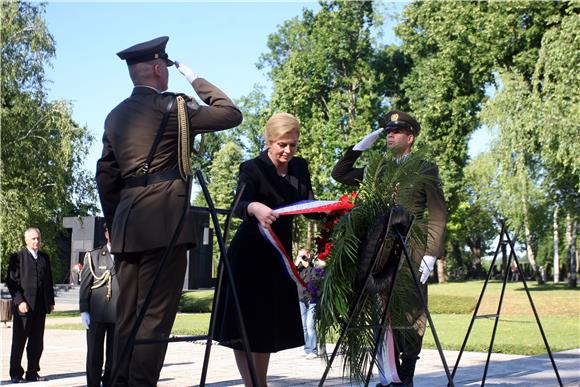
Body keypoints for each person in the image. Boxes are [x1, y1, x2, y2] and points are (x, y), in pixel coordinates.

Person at [95, 36, 242, 386]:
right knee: (155, 319)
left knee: (127, 317)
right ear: (161, 69)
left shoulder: (115, 116)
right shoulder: (173, 108)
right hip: (166, 224)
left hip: (129, 227)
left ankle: (118, 382)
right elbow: (230, 113)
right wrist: (195, 78)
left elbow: (105, 176)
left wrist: (117, 223)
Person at [331, 110, 447, 387]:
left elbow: (438, 213)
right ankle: (389, 374)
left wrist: (431, 253)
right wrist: (360, 146)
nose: (390, 135)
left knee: (410, 313)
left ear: (410, 137)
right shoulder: (378, 168)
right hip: (381, 251)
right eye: (387, 131)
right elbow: (341, 174)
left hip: (413, 251)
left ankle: (404, 376)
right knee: (381, 313)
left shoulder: (424, 168)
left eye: (396, 131)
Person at [214, 112, 322, 386]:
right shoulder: (252, 168)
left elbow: (308, 206)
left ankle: (257, 384)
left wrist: (337, 210)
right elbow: (239, 205)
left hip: (279, 258)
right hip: (250, 257)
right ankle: (255, 384)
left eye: (293, 144)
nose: (287, 151)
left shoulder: (300, 167)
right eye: (281, 144)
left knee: (265, 328)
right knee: (247, 327)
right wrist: (254, 207)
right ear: (269, 141)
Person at [7, 227, 55, 383]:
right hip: (24, 307)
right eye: (33, 239)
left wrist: (51, 301)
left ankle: (32, 372)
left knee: (36, 342)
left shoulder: (44, 258)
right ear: (26, 240)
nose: (36, 241)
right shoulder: (17, 257)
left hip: (40, 307)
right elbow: (12, 282)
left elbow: (48, 281)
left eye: (38, 239)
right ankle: (16, 373)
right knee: (19, 341)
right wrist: (19, 301)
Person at [79, 227, 118, 387]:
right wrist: (84, 310)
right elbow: (85, 286)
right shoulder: (94, 256)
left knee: (114, 356)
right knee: (94, 355)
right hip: (97, 313)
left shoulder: (126, 257)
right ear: (107, 234)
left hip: (118, 313)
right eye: (112, 231)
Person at [295, 248, 322, 359]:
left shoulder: (314, 266)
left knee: (310, 325)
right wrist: (296, 263)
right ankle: (307, 349)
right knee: (304, 326)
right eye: (300, 256)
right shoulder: (299, 269)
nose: (302, 258)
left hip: (312, 300)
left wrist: (306, 263)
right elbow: (291, 274)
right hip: (301, 299)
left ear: (308, 255)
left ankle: (313, 350)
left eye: (303, 256)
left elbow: (317, 278)